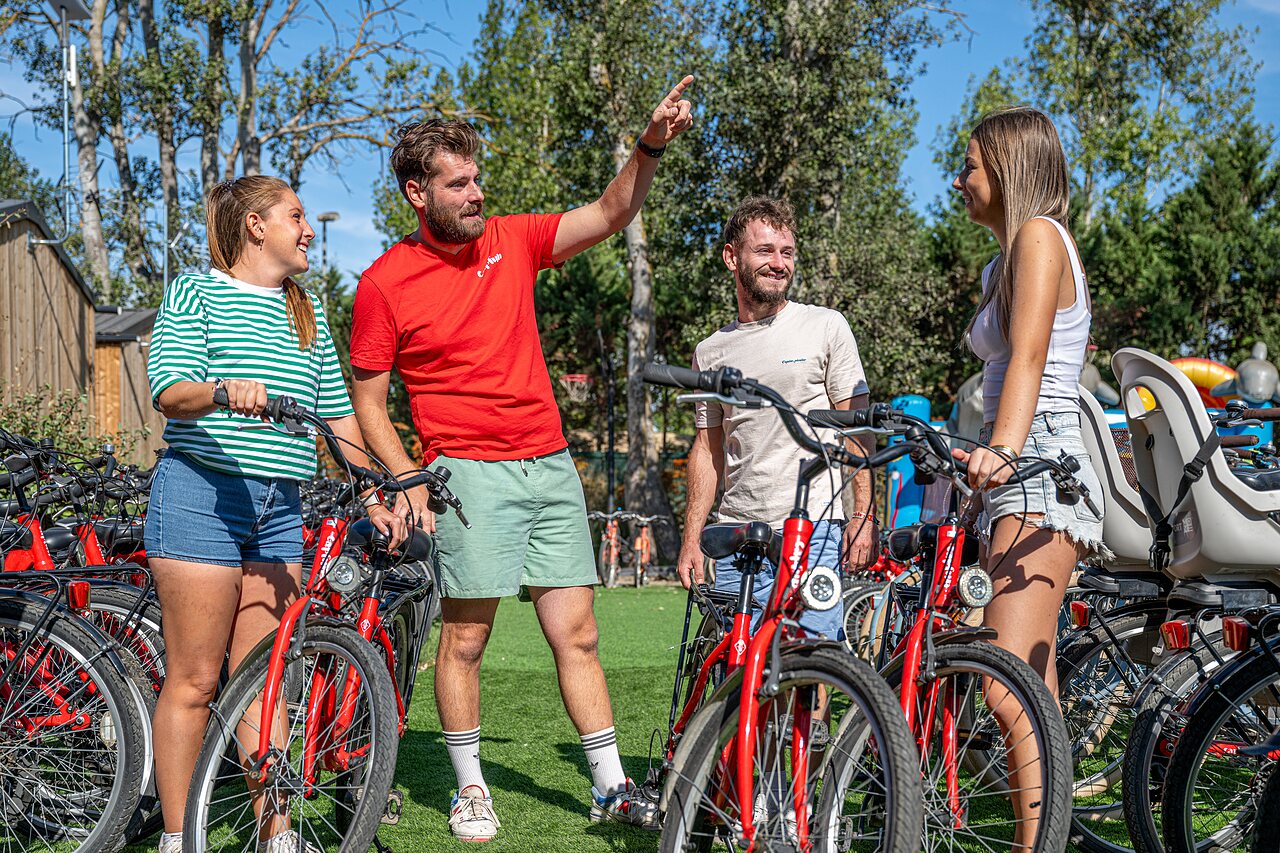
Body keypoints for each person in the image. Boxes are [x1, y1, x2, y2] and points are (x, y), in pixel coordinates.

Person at [348, 77, 695, 841]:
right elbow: (368, 402)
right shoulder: (383, 284)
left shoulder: (514, 238)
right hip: (465, 474)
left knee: (579, 635)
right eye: (459, 182)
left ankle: (610, 786)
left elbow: (610, 212)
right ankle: (471, 787)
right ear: (417, 192)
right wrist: (408, 479)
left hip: (549, 465)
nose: (477, 192)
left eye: (478, 178)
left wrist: (650, 144)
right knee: (465, 639)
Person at [145, 176, 407, 853]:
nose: (310, 228)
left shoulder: (306, 309)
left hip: (278, 504)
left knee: (261, 675)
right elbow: (170, 390)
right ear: (256, 225)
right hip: (203, 493)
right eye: (297, 216)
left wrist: (374, 491)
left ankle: (278, 831)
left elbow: (339, 413)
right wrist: (224, 391)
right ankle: (180, 836)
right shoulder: (195, 293)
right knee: (196, 679)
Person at [950, 106, 1106, 850]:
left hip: (1040, 466)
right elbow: (1008, 365)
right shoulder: (1002, 259)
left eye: (970, 165)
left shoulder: (1040, 237)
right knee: (1022, 686)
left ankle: (1036, 845)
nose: (959, 179)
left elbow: (1036, 359)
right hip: (1013, 468)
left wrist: (1003, 447)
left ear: (1007, 170)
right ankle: (1042, 838)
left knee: (1004, 684)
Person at [677, 195, 877, 641]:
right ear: (732, 257)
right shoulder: (711, 352)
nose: (778, 263)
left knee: (812, 654)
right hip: (736, 534)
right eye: (765, 251)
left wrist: (862, 514)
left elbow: (856, 429)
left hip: (813, 526)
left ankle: (814, 718)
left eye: (787, 252)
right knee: (738, 661)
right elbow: (708, 450)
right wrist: (692, 537)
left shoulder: (826, 326)